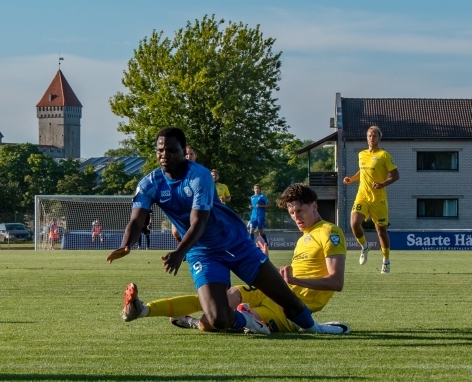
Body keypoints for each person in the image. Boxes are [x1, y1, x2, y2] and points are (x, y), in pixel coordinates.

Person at [106, 127, 347, 335]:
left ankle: (316, 329)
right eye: (160, 150)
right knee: (218, 318)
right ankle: (247, 321)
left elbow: (199, 222)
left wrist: (179, 252)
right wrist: (126, 243)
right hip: (203, 253)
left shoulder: (199, 176)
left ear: (183, 152)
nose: (164, 155)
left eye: (171, 150)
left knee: (287, 299)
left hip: (236, 244)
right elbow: (136, 220)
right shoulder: (149, 183)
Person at [169, 183, 348, 333]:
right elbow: (290, 277)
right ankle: (200, 319)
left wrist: (295, 280)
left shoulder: (330, 232)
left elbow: (336, 282)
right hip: (272, 290)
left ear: (314, 206)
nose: (296, 217)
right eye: (292, 213)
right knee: (223, 302)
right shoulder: (303, 238)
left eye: (300, 210)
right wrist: (267, 263)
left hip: (290, 307)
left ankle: (197, 322)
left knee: (212, 323)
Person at [343, 125, 399, 273]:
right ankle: (364, 246)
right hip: (362, 196)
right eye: (369, 135)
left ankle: (386, 261)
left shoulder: (384, 155)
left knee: (381, 231)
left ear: (379, 138)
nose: (371, 138)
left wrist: (382, 184)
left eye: (374, 135)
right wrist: (351, 179)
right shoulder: (361, 154)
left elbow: (395, 175)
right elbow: (362, 172)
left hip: (378, 199)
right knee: (354, 223)